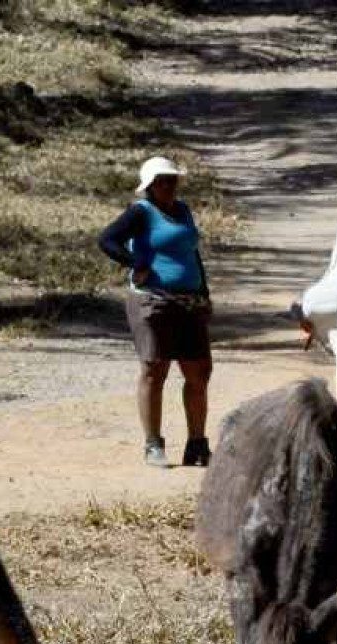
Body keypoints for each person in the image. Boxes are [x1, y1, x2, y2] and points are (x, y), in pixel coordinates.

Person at [98, 156, 213, 468]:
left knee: (198, 371)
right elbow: (107, 240)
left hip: (189, 301)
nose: (169, 185)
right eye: (162, 180)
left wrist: (203, 291)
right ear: (149, 185)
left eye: (172, 179)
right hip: (153, 301)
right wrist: (137, 263)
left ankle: (197, 444)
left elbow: (192, 251)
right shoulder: (141, 212)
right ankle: (153, 444)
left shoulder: (183, 210)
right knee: (155, 368)